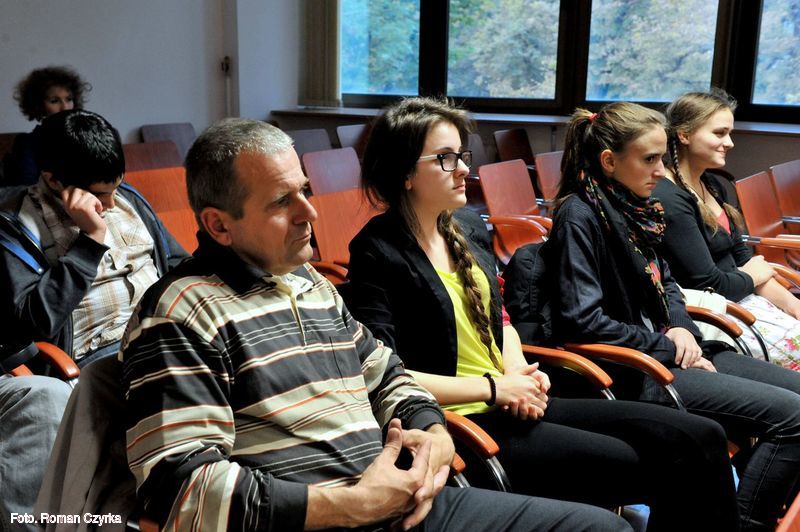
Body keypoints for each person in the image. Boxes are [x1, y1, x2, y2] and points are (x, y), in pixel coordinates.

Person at [120, 117, 629, 532]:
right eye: (281, 201)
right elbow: (179, 488)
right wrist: (354, 505)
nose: (309, 212)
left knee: (602, 527)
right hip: (324, 519)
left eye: (304, 191)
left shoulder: (308, 283)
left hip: (403, 502)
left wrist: (434, 437)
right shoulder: (180, 314)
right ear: (219, 225)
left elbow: (388, 375)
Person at [345, 97, 740, 531]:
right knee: (654, 463)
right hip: (464, 418)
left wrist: (518, 370)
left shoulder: (466, 227)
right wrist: (497, 388)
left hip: (511, 399)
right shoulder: (376, 251)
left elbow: (501, 321)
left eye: (462, 155)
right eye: (445, 158)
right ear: (403, 172)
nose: (463, 169)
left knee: (703, 435)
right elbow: (384, 373)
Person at [540, 101, 800, 531]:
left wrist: (681, 327)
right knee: (793, 418)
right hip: (635, 368)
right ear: (609, 161)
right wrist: (668, 345)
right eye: (649, 159)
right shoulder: (579, 215)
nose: (660, 171)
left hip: (672, 350)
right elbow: (582, 320)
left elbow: (669, 284)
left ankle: (739, 511)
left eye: (662, 158)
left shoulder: (634, 207)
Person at [0, 108, 184, 531]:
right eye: (101, 194)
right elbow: (34, 320)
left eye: (116, 187)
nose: (112, 204)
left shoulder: (130, 200)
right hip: (99, 362)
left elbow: (177, 264)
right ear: (53, 180)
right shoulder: (14, 227)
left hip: (163, 336)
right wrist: (90, 242)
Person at [656, 89, 800, 370]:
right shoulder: (669, 198)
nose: (730, 143)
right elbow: (711, 284)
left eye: (729, 133)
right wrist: (753, 275)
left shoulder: (711, 184)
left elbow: (743, 258)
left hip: (744, 299)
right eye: (719, 133)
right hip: (715, 313)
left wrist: (793, 305)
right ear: (684, 135)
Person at [3, 66, 91, 187]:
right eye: (54, 101)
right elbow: (27, 186)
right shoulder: (28, 143)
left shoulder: (86, 136)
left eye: (69, 99)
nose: (65, 107)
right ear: (39, 105)